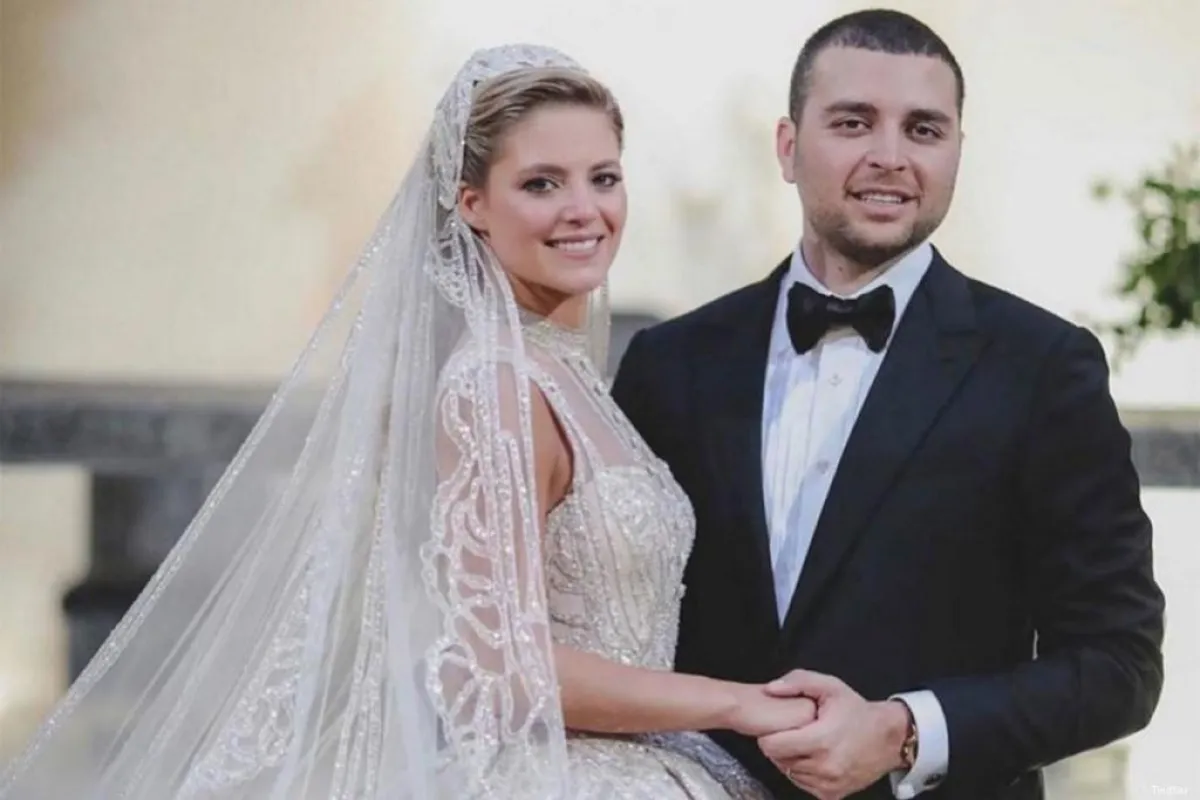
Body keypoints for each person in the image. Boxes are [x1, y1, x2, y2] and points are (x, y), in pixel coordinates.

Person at [0, 45, 819, 799]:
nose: (583, 209)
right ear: (472, 205)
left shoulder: (564, 374)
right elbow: (501, 668)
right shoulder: (494, 385)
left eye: (602, 177)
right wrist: (733, 703)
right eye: (541, 184)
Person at [612, 9, 1166, 800]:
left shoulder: (1044, 367)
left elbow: (1120, 664)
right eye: (853, 122)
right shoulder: (670, 363)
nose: (891, 157)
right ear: (787, 146)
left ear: (957, 151)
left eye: (924, 130)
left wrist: (907, 731)